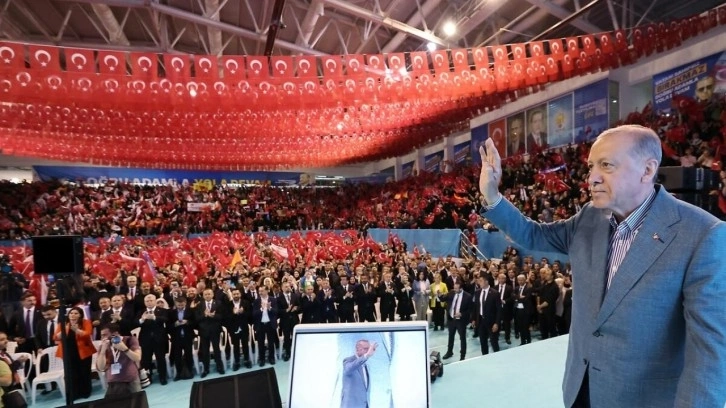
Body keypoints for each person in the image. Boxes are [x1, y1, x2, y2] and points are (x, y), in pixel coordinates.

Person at [477, 125, 726, 407]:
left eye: (606, 165)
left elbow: (711, 354)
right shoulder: (589, 216)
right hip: (580, 390)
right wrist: (492, 195)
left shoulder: (702, 234)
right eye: (591, 166)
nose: (591, 178)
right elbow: (532, 234)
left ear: (647, 170)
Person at [54, 307, 96, 400]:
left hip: (84, 352)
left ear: (80, 315)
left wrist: (77, 330)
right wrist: (64, 330)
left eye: (76, 313)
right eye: (71, 313)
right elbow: (55, 337)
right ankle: (74, 394)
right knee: (71, 374)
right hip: (68, 352)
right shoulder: (63, 324)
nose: (73, 315)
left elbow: (88, 334)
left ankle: (85, 392)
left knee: (84, 372)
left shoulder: (86, 322)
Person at [96, 323, 142, 397]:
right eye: (101, 335)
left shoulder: (130, 340)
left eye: (104, 335)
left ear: (115, 334)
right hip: (113, 382)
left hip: (130, 380)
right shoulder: (103, 346)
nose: (102, 338)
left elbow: (137, 358)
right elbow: (101, 367)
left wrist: (124, 349)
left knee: (136, 402)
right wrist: (103, 351)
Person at [195, 288, 225, 377]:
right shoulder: (199, 305)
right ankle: (206, 369)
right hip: (204, 331)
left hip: (215, 330)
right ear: (203, 296)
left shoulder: (218, 303)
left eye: (209, 294)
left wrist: (213, 316)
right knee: (205, 351)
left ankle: (219, 367)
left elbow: (222, 316)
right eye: (205, 294)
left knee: (217, 349)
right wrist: (204, 315)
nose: (207, 296)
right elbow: (197, 319)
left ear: (212, 295)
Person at [341, 339, 377, 408]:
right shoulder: (348, 361)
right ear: (358, 349)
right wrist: (366, 356)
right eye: (366, 349)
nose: (368, 351)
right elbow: (349, 368)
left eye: (369, 349)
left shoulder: (366, 365)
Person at [442, 281, 472, 361]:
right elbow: (443, 299)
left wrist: (461, 314)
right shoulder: (451, 292)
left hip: (461, 321)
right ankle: (449, 352)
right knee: (450, 336)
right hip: (451, 319)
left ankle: (462, 355)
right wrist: (439, 295)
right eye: (454, 288)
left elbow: (470, 310)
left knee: (462, 338)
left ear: (461, 288)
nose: (454, 290)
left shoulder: (468, 296)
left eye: (456, 288)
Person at [167, 296, 195, 379]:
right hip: (176, 338)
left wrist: (187, 322)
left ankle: (190, 371)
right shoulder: (171, 313)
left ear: (185, 303)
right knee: (177, 356)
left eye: (182, 305)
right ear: (175, 304)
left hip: (188, 337)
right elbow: (168, 326)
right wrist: (175, 324)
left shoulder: (191, 311)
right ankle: (178, 373)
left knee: (189, 355)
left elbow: (195, 323)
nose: (180, 307)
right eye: (179, 305)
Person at [472, 275, 502, 355]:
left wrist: (497, 323)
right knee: (483, 342)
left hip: (492, 322)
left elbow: (499, 310)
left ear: (486, 282)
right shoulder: (477, 292)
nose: (479, 283)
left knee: (494, 342)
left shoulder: (495, 293)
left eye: (481, 281)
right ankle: (485, 356)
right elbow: (476, 307)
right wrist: (474, 319)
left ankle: (498, 357)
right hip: (481, 321)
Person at [252, 285, 278, 367]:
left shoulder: (273, 300)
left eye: (262, 291)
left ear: (267, 291)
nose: (260, 292)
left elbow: (276, 312)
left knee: (271, 342)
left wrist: (270, 308)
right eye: (259, 291)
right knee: (261, 343)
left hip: (270, 324)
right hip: (260, 325)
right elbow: (254, 314)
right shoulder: (256, 301)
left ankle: (271, 358)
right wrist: (261, 309)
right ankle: (262, 359)